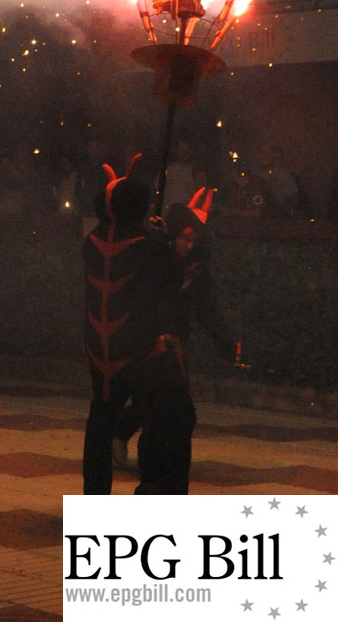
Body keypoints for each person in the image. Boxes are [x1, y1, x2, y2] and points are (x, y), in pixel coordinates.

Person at [82, 157, 196, 494]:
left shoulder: (90, 242)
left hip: (98, 350)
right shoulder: (150, 245)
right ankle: (155, 492)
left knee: (101, 418)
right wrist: (163, 241)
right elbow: (171, 284)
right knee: (174, 413)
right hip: (139, 351)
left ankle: (95, 496)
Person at [112, 187, 236, 468]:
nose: (188, 245)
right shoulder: (156, 256)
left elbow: (208, 310)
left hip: (175, 341)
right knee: (149, 397)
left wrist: (224, 343)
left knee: (174, 399)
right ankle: (128, 438)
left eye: (193, 240)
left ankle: (161, 453)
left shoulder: (197, 270)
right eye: (184, 238)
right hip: (147, 337)